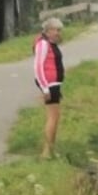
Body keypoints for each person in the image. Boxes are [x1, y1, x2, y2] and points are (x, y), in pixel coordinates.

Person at [33, 16, 64, 160]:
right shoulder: (43, 44)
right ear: (49, 30)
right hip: (49, 84)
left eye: (59, 30)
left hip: (54, 84)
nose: (58, 33)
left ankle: (50, 149)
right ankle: (46, 151)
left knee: (55, 117)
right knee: (52, 118)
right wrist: (45, 88)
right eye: (56, 30)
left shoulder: (51, 44)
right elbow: (38, 67)